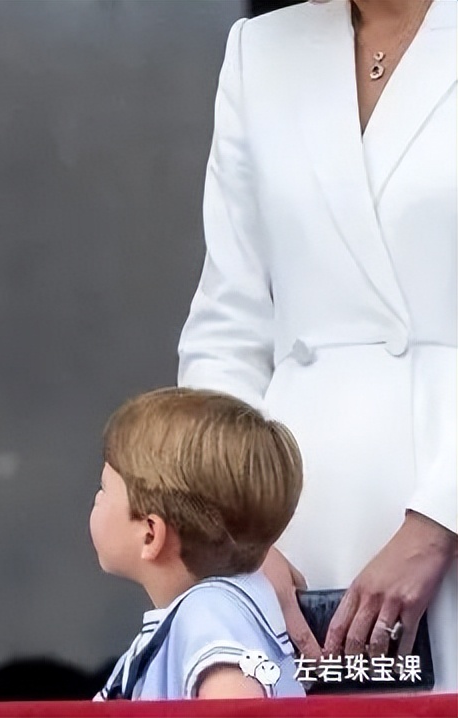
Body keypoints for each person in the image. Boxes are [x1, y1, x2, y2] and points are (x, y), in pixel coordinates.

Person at [177, 0, 456, 689]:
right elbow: (227, 324)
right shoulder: (259, 50)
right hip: (297, 532)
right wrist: (239, 534)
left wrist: (437, 525)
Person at [90, 387, 306, 700]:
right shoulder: (229, 603)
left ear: (151, 534)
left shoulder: (208, 612)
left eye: (104, 488)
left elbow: (236, 703)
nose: (97, 498)